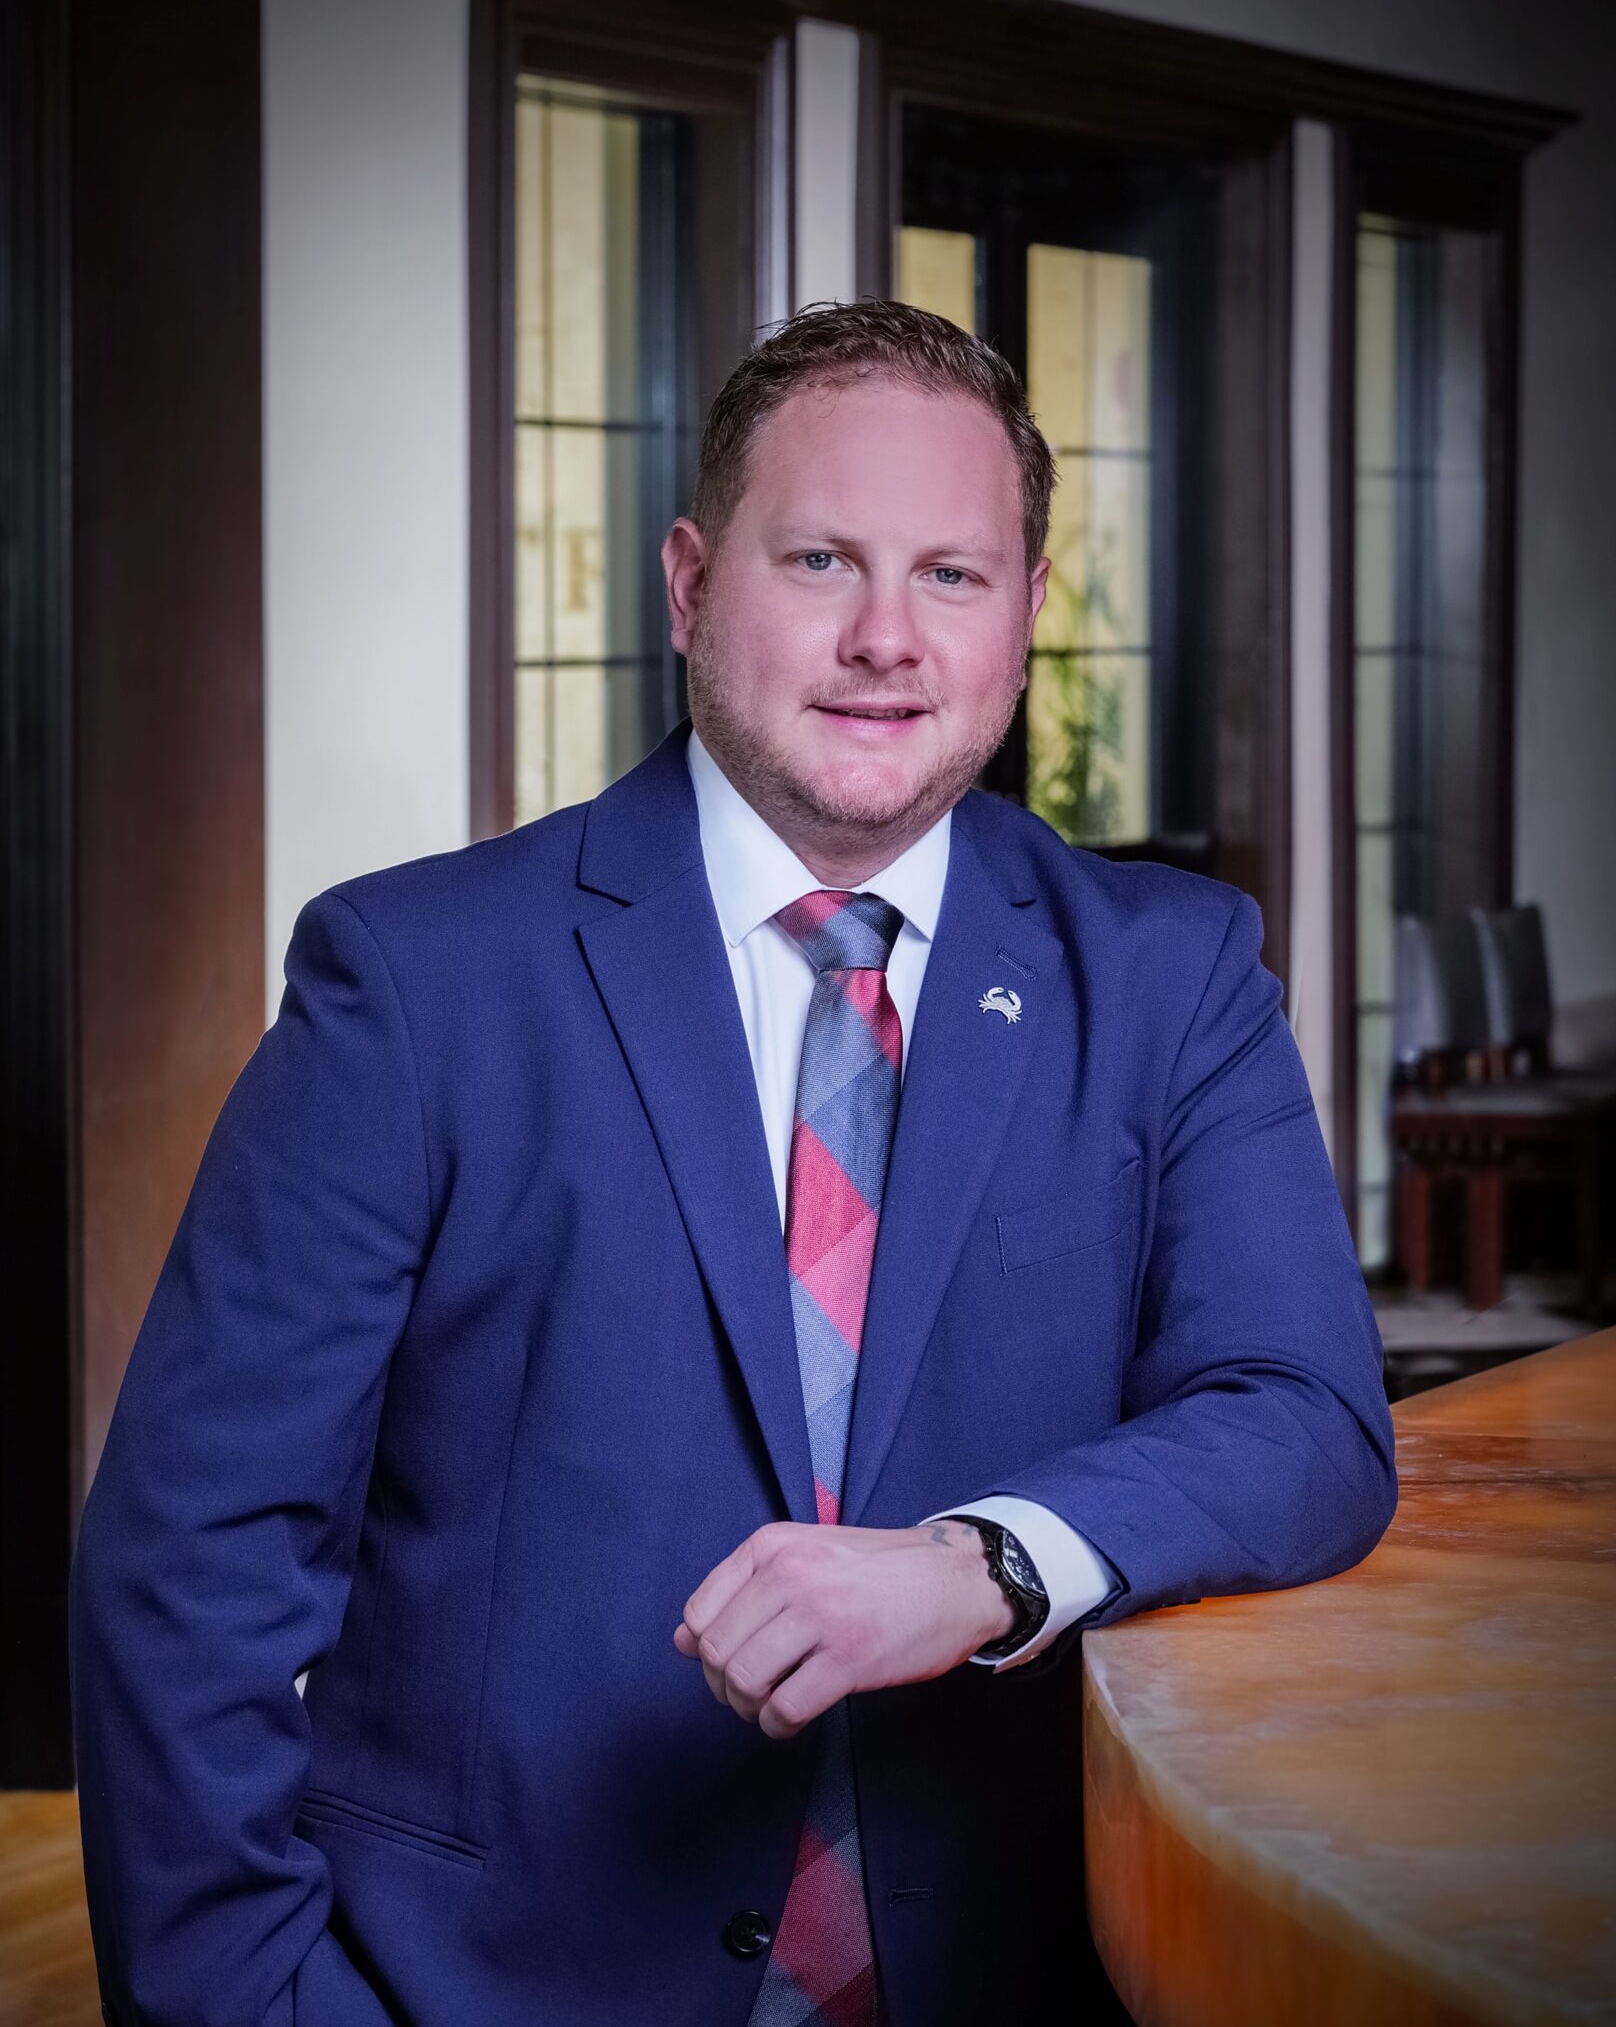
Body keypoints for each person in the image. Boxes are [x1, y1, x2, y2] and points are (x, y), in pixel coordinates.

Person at [70, 299, 1396, 2027]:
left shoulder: (1172, 975)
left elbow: (1305, 1411)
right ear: (692, 584)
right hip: (488, 1985)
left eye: (952, 576)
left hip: (1011, 1971)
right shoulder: (416, 982)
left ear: (1027, 621)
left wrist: (985, 1559)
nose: (884, 639)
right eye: (822, 558)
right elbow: (194, 1564)